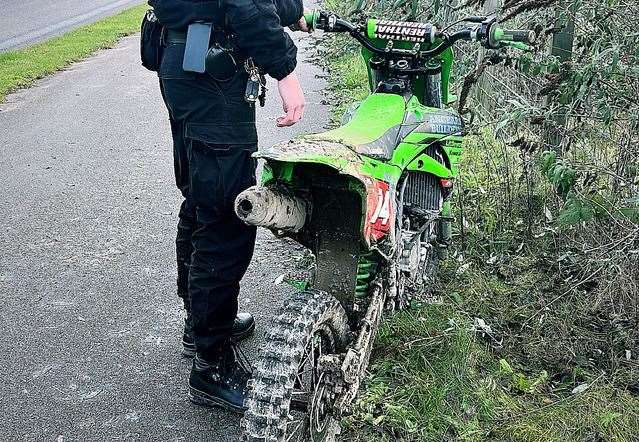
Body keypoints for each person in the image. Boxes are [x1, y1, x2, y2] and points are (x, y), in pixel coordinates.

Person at [150, 0, 307, 412]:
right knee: (225, 216)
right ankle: (212, 364)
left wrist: (291, 11)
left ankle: (198, 325)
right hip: (211, 75)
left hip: (184, 60)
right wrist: (286, 70)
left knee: (202, 201)